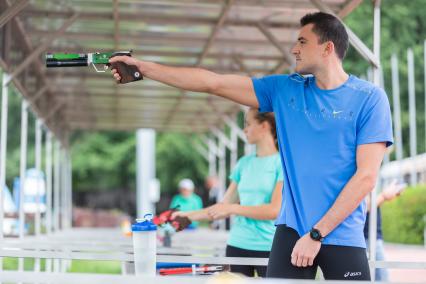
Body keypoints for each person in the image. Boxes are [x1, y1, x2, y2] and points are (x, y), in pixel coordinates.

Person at [110, 12, 393, 280]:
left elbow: (366, 177)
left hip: (342, 233)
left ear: (327, 48)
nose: (294, 49)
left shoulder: (369, 98)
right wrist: (144, 69)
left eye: (302, 42)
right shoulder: (285, 90)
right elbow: (213, 83)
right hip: (291, 231)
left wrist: (317, 234)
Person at [173, 108, 283, 277]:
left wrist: (233, 209)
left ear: (264, 126)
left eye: (248, 124)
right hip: (237, 244)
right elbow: (221, 208)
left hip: (269, 246)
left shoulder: (281, 163)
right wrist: (187, 215)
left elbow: (274, 211)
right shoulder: (244, 164)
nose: (244, 129)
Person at [364, 179, 406, 281]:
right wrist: (384, 196)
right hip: (368, 237)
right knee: (382, 278)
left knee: (380, 277)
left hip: (371, 236)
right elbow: (365, 207)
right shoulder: (363, 176)